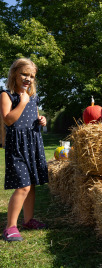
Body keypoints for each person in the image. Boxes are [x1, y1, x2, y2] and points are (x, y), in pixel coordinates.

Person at [0, 58, 48, 242]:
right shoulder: (7, 95)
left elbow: (33, 116)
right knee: (23, 186)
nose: (28, 79)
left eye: (32, 76)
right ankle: (10, 227)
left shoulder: (33, 97)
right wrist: (22, 101)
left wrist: (41, 120)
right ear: (14, 74)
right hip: (17, 145)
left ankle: (28, 220)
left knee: (32, 184)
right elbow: (8, 119)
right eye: (24, 74)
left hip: (33, 142)